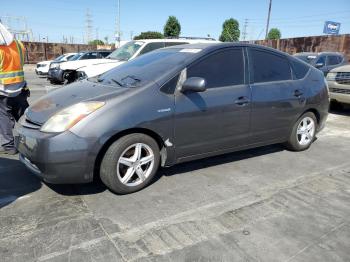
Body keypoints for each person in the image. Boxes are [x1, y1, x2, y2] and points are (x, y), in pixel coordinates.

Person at [0, 22, 29, 155]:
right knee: (24, 116)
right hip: (19, 88)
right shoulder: (18, 44)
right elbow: (21, 63)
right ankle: (32, 141)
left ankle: (8, 146)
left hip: (2, 91)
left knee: (3, 117)